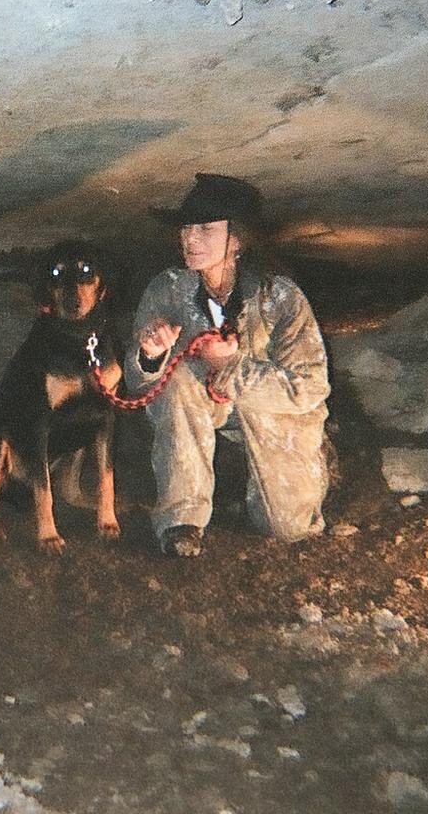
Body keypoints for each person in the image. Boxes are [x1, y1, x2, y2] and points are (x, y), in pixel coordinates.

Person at [124, 173, 330, 557]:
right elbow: (140, 385)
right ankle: (181, 520)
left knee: (287, 528)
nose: (190, 239)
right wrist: (150, 355)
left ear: (237, 240)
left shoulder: (280, 297)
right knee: (180, 378)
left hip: (272, 413)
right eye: (186, 228)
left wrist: (232, 365)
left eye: (205, 229)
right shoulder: (167, 289)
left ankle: (312, 458)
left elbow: (309, 387)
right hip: (203, 407)